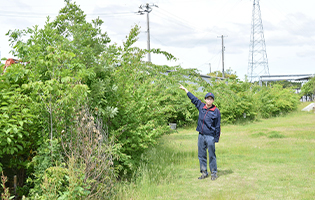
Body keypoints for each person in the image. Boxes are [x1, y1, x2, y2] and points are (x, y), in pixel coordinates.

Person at [179, 84, 221, 180]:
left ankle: (214, 173)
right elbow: (194, 99)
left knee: (211, 155)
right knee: (201, 155)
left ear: (213, 101)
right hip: (201, 135)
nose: (209, 100)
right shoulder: (201, 106)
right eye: (207, 99)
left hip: (210, 136)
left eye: (211, 99)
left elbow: (218, 126)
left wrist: (216, 139)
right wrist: (186, 90)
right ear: (205, 99)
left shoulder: (216, 111)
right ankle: (204, 172)